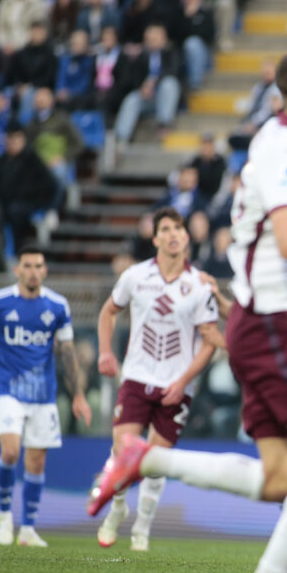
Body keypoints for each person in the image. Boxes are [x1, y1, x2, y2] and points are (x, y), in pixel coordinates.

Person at [86, 45, 287, 573]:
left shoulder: (277, 139)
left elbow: (278, 245)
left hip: (264, 319)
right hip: (271, 325)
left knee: (281, 478)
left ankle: (147, 461)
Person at [94, 207, 224, 552]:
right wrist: (105, 352)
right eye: (165, 229)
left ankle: (143, 527)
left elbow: (210, 341)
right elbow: (109, 311)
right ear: (155, 238)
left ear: (186, 237)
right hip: (137, 377)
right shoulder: (136, 276)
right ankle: (117, 508)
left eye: (178, 228)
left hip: (177, 383)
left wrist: (183, 381)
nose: (173, 234)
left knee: (155, 462)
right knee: (122, 450)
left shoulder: (199, 285)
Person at [0, 245, 92, 547]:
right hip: (8, 390)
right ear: (17, 269)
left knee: (36, 462)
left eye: (38, 266)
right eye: (28, 266)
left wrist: (78, 394)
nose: (33, 272)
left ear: (45, 271)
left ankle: (28, 529)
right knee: (10, 452)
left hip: (43, 396)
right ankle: (4, 517)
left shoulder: (57, 306)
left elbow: (67, 352)